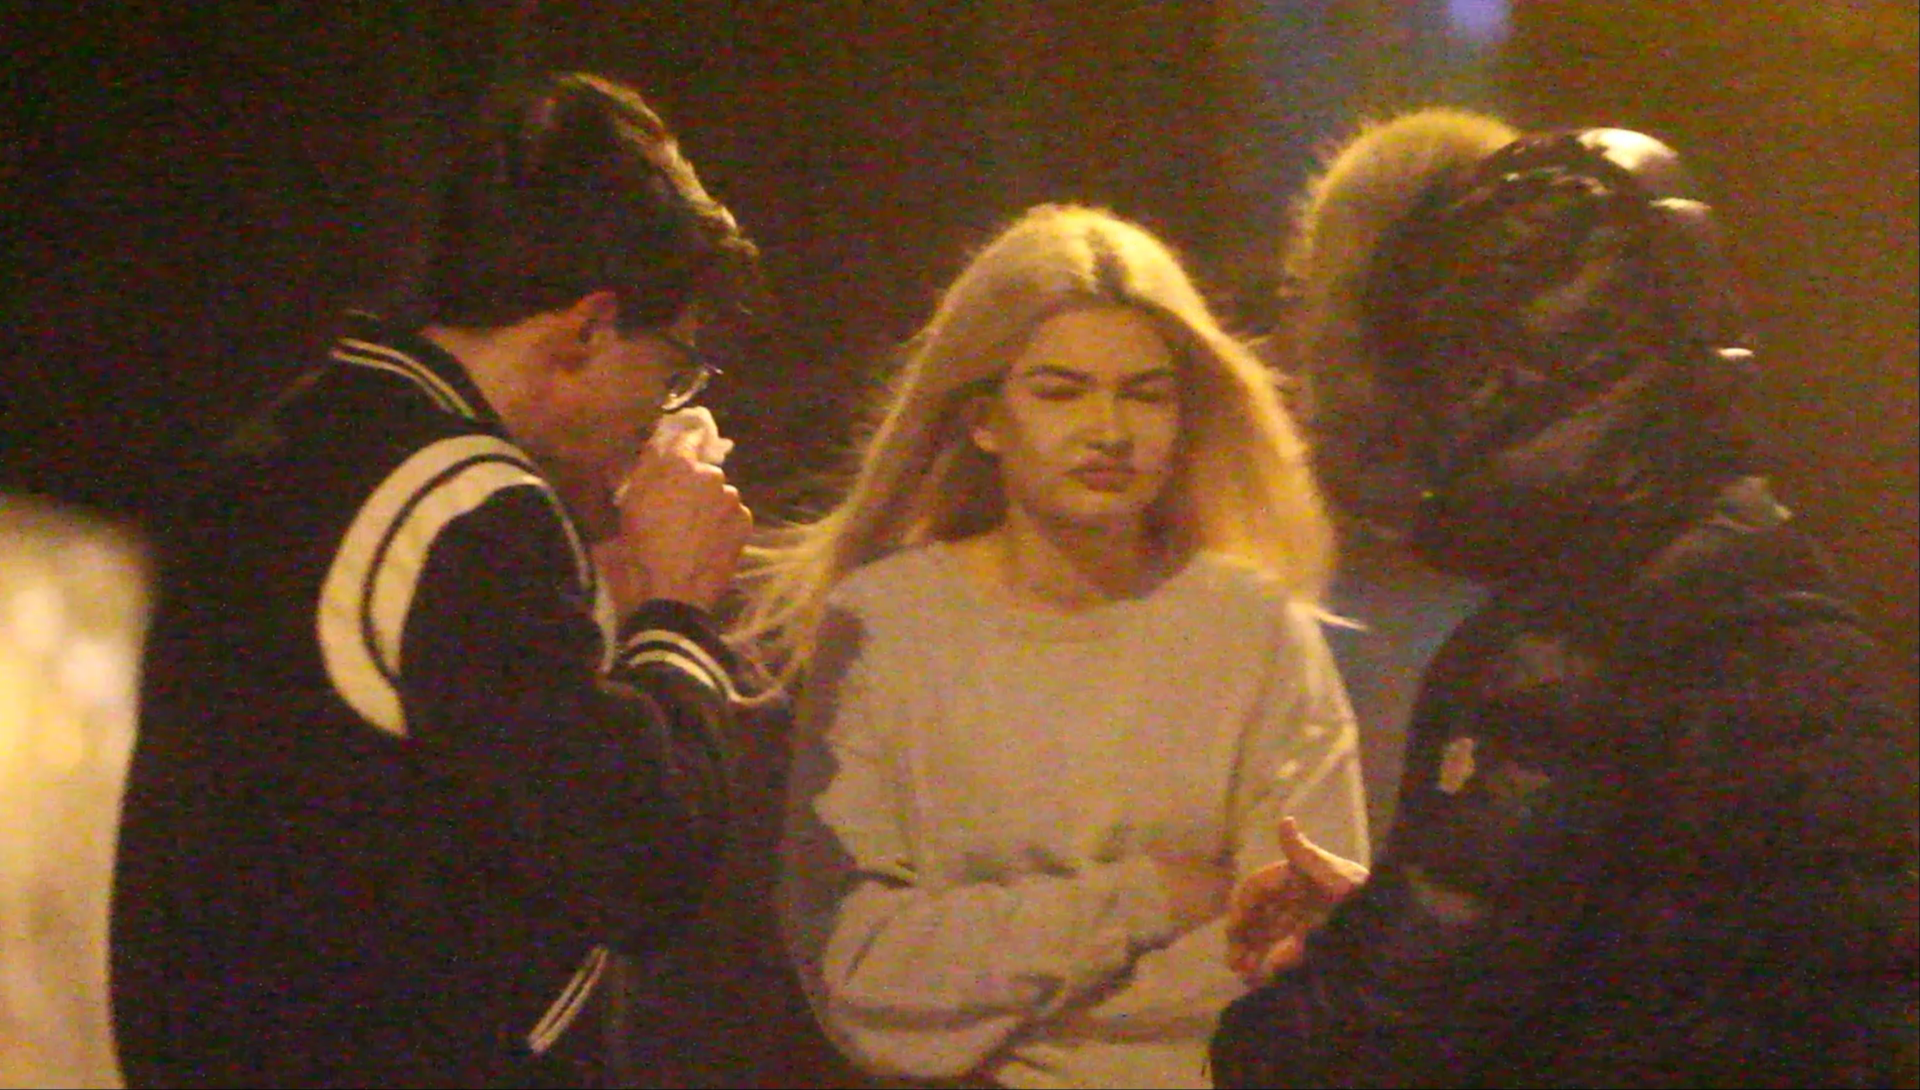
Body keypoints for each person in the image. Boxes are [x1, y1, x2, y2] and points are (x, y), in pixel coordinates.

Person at [1208, 107, 1920, 1087]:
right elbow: (1666, 948)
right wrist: (1390, 914)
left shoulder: (1572, 650)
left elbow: (1380, 1042)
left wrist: (1265, 1031)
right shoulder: (1754, 565)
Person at [110, 71, 760, 1088]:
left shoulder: (314, 434)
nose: (663, 407)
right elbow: (638, 864)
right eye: (671, 368)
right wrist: (676, 612)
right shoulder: (463, 504)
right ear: (587, 329)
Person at [729, 202, 1371, 1089]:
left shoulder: (1256, 631)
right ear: (984, 418)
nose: (1109, 430)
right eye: (1061, 391)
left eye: (1145, 394)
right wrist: (1151, 896)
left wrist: (987, 977)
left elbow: (1288, 960)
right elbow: (861, 971)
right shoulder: (886, 626)